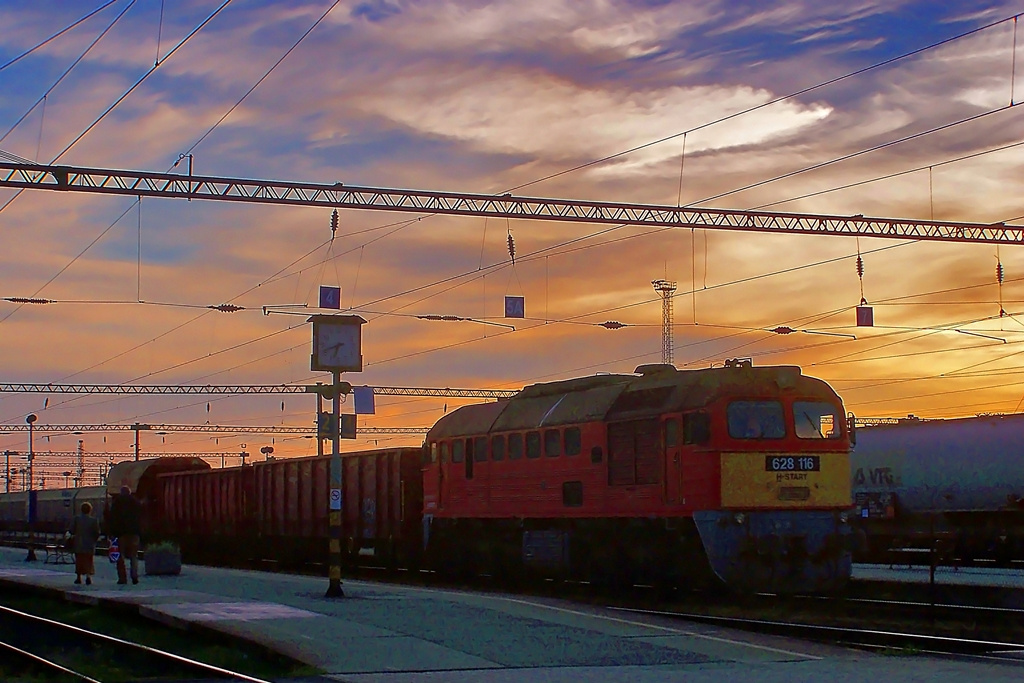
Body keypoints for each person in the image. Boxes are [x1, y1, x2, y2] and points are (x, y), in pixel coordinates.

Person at [107, 485, 142, 585]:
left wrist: (112, 533)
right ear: (130, 492)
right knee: (134, 556)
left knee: (120, 556)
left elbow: (112, 519)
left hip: (120, 533)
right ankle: (134, 576)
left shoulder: (116, 503)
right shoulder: (136, 502)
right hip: (134, 533)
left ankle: (122, 578)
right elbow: (141, 517)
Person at [68, 502, 101, 585]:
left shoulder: (76, 519)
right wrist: (94, 540)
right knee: (89, 560)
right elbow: (97, 532)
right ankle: (88, 576)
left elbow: (71, 530)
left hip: (78, 543)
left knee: (79, 560)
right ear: (90, 510)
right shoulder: (94, 520)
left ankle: (78, 577)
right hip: (89, 544)